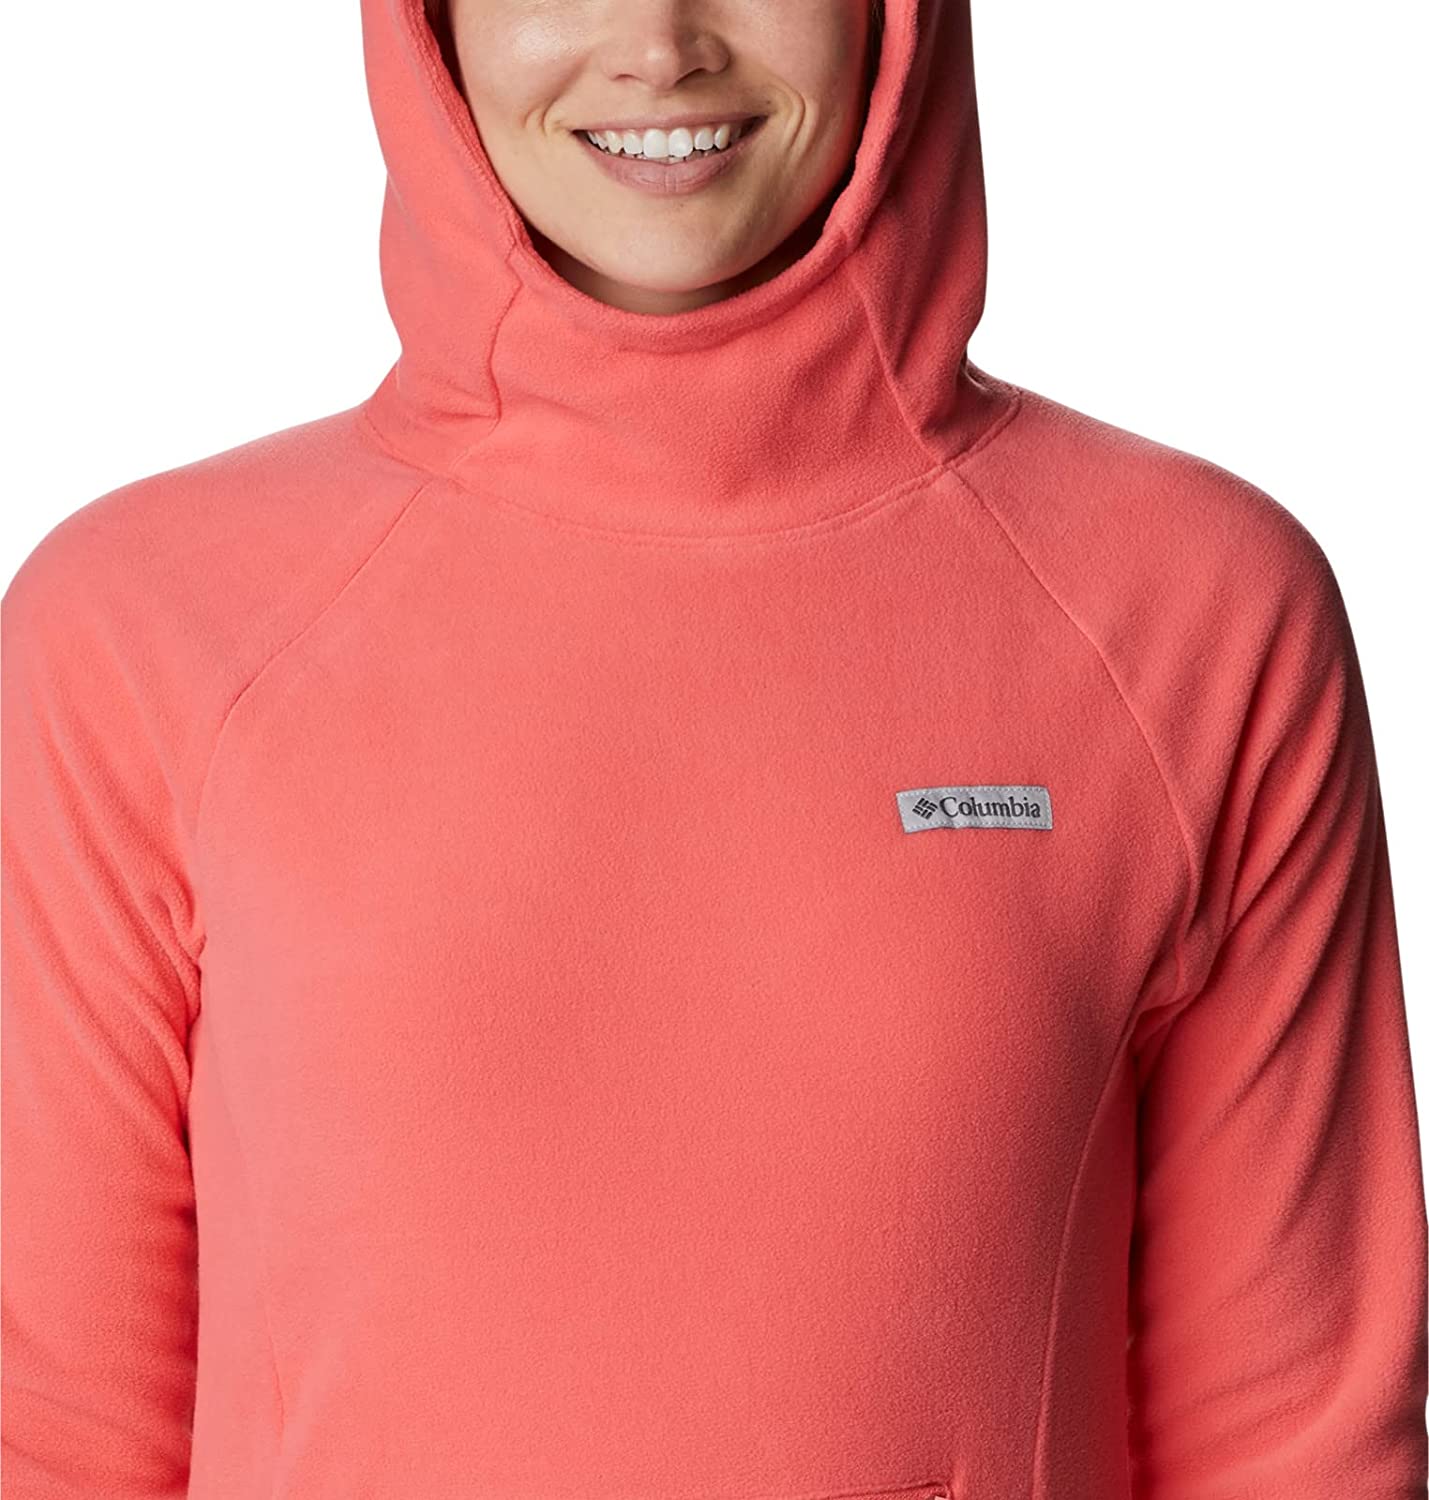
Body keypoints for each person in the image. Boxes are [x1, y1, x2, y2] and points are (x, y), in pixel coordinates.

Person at [2, 0, 1424, 1496]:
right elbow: (53, 1431)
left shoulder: (1192, 608)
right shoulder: (139, 629)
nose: (660, 43)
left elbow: (1297, 1438)